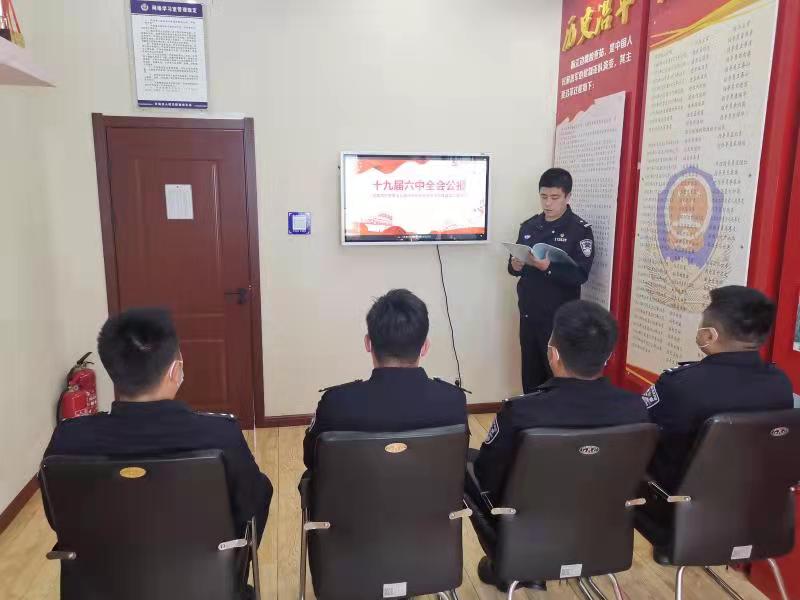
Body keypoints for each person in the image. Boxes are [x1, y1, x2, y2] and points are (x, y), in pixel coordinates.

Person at [43, 308, 273, 556]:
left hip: (100, 576)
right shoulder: (220, 435)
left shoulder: (68, 439)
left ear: (113, 372)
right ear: (175, 370)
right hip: (205, 575)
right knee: (261, 487)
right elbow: (250, 504)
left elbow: (59, 519)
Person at [468, 300, 648, 592]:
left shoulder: (521, 412)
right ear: (609, 356)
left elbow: (488, 475)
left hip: (527, 535)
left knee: (468, 464)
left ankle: (507, 568)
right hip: (603, 533)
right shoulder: (636, 410)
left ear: (553, 354)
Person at [643, 285, 794, 492]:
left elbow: (642, 430)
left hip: (677, 502)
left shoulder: (678, 384)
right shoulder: (780, 383)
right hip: (753, 499)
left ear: (709, 336)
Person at [303, 288, 467, 470]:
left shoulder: (335, 404)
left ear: (368, 343)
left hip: (357, 489)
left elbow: (311, 459)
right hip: (430, 488)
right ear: (425, 347)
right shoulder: (454, 400)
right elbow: (457, 459)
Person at [509, 168, 595, 394]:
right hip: (529, 315)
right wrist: (515, 265)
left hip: (559, 320)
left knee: (558, 381)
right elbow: (514, 266)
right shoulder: (529, 226)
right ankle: (531, 416)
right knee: (530, 377)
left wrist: (549, 268)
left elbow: (580, 275)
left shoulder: (579, 230)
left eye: (554, 197)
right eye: (543, 196)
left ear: (568, 196)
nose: (548, 203)